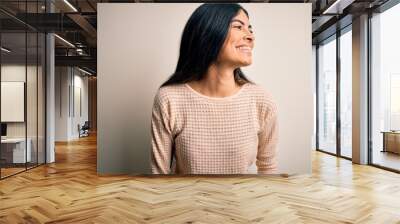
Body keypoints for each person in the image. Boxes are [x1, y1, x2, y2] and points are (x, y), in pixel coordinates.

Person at [150, 3, 278, 175]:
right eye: (238, 27)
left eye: (250, 29)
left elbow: (268, 170)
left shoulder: (261, 100)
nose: (250, 37)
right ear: (208, 32)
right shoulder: (169, 99)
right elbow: (158, 176)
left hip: (242, 201)